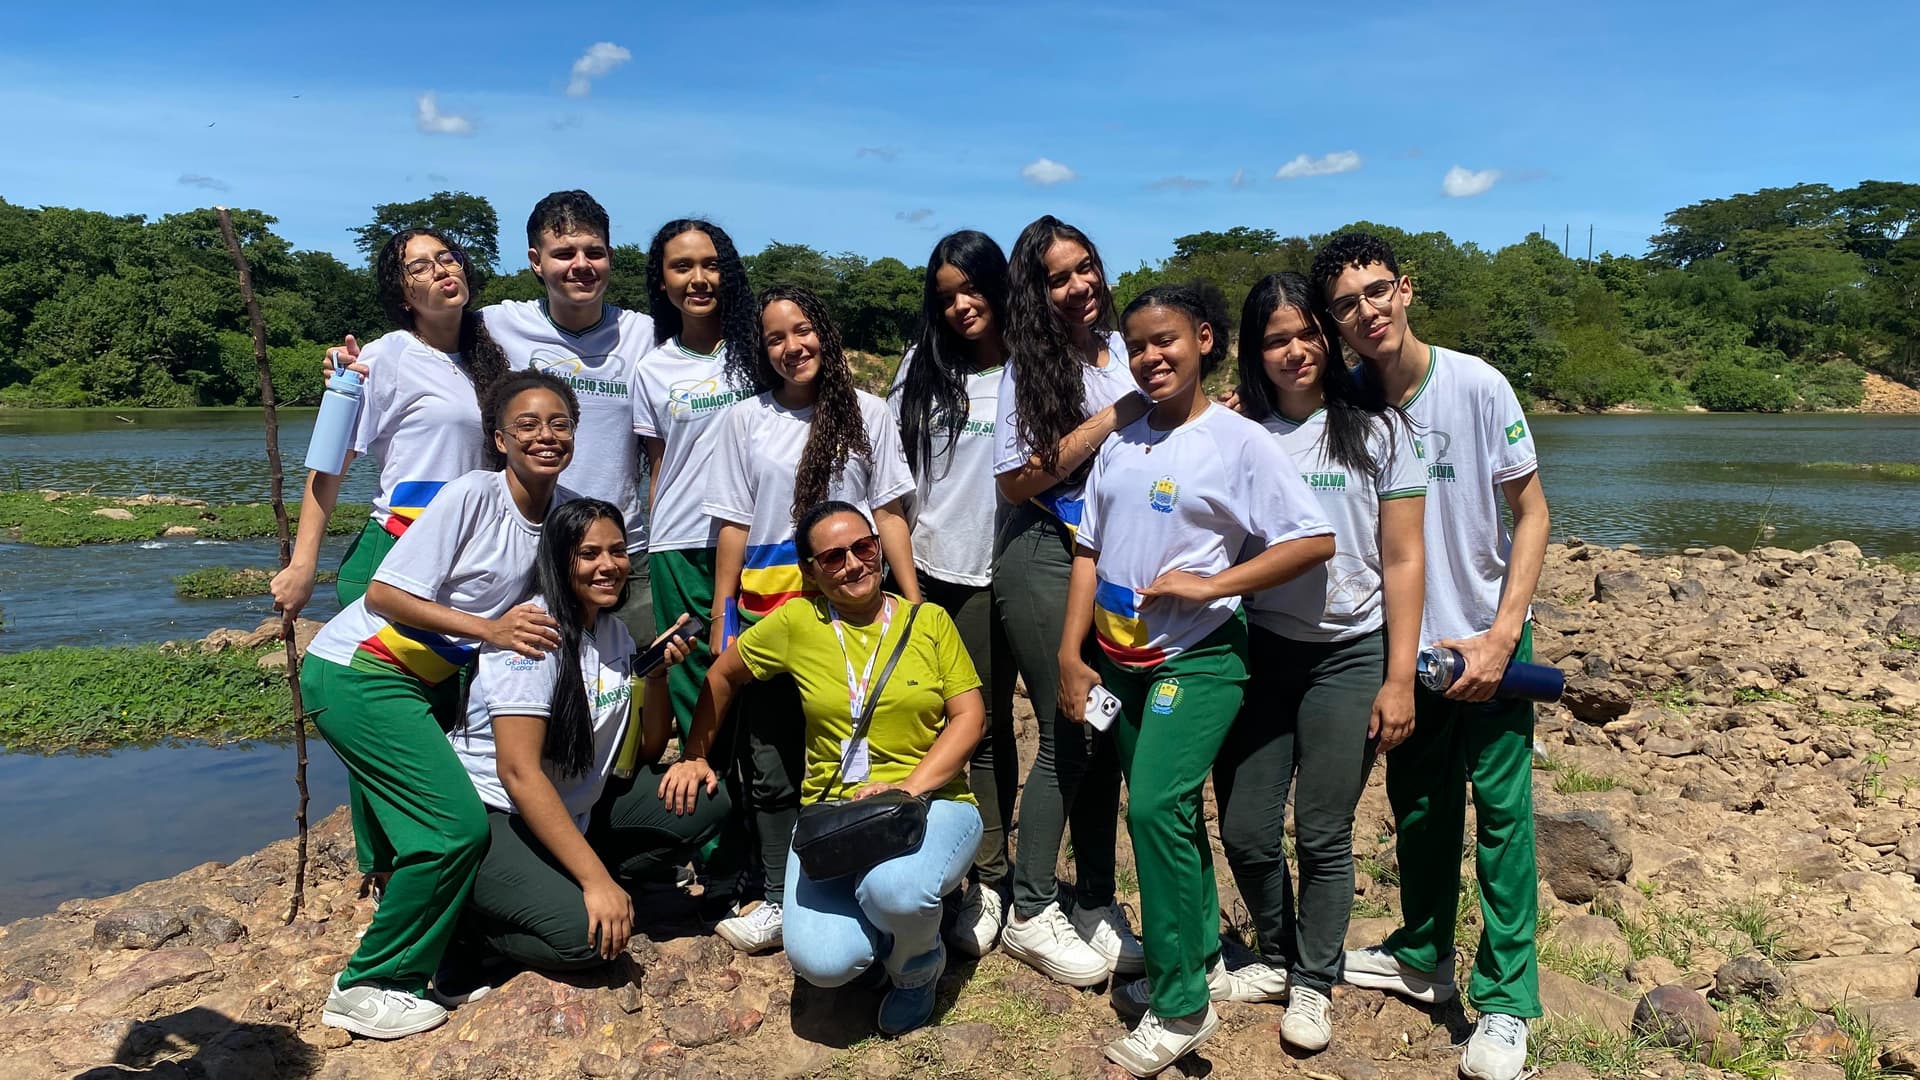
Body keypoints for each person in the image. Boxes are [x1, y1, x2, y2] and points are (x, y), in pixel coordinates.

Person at [1059, 283, 1334, 1077]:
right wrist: (1073, 654)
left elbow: (1312, 540)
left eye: (1167, 341)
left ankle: (1181, 1006)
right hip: (1123, 660)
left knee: (1152, 805)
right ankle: (1204, 953)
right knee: (1171, 821)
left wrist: (1214, 586)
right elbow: (1088, 550)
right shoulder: (1122, 440)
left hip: (1201, 658)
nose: (1152, 357)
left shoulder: (1240, 442)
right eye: (1138, 345)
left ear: (1205, 340)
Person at [1314, 232, 1550, 1080]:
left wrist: (1500, 634)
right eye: (1346, 303)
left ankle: (1509, 1000)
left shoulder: (1478, 385)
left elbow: (1533, 513)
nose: (1367, 311)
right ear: (1333, 322)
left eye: (1377, 291)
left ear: (1405, 289)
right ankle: (1422, 953)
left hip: (1487, 639)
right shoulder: (1344, 403)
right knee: (1417, 808)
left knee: (1501, 819)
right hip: (1404, 650)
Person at [300, 370, 580, 1040]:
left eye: (559, 423)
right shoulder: (473, 495)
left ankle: (432, 961)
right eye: (528, 426)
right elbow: (386, 595)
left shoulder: (561, 513)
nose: (545, 436)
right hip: (361, 672)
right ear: (500, 438)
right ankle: (365, 984)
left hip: (422, 680)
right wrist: (489, 629)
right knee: (452, 830)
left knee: (434, 828)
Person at [1203, 271, 1426, 1053]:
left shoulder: (1378, 429)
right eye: (1274, 340)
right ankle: (1274, 951)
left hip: (1352, 652)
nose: (1294, 351)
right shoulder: (1239, 435)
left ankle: (1313, 979)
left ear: (1327, 341)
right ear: (1253, 354)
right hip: (1263, 650)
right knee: (1246, 827)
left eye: (1305, 334)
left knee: (1323, 830)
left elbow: (1403, 560)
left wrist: (1399, 676)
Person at [659, 501, 984, 1037]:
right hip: (833, 815)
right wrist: (695, 755)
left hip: (933, 802)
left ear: (879, 547)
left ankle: (916, 966)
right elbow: (722, 676)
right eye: (832, 557)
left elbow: (969, 719)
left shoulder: (928, 621)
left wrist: (906, 787)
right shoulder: (797, 622)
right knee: (824, 963)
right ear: (810, 571)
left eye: (863, 547)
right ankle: (900, 924)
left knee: (895, 889)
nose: (854, 564)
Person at [272, 227, 512, 887]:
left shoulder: (488, 351)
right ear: (401, 292)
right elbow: (328, 466)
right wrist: (303, 564)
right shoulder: (383, 359)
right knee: (396, 717)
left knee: (447, 713)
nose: (441, 271)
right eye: (420, 267)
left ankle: (432, 856)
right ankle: (390, 870)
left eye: (448, 258)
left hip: (464, 564)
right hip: (394, 557)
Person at [331, 192, 658, 644]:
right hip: (528, 552)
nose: (579, 264)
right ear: (535, 261)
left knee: (631, 684)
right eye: (563, 253)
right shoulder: (494, 324)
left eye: (593, 252)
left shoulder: (646, 334)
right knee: (527, 690)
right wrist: (350, 368)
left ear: (610, 257)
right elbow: (422, 336)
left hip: (618, 550)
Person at [700, 285, 919, 953]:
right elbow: (734, 523)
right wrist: (722, 613)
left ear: (823, 332)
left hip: (850, 613)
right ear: (760, 350)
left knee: (853, 751)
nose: (792, 346)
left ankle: (862, 879)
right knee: (768, 763)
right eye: (774, 337)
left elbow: (887, 513)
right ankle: (775, 894)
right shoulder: (745, 420)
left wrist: (911, 603)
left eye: (802, 331)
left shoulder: (871, 414)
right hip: (770, 613)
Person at [450, 497, 730, 976]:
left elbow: (644, 750)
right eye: (590, 554)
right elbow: (518, 773)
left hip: (576, 806)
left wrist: (656, 676)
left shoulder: (615, 633)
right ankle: (469, 924)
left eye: (618, 551)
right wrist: (595, 881)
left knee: (708, 801)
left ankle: (572, 882)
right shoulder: (534, 637)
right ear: (560, 561)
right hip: (500, 814)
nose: (609, 566)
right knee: (590, 941)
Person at [992, 216, 1146, 987]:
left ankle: (1094, 900)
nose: (1080, 285)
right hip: (1043, 552)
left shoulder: (1119, 347)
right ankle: (1028, 909)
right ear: (1036, 291)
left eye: (1085, 267)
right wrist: (1112, 416)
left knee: (1102, 734)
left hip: (1109, 564)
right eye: (1059, 277)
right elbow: (1015, 479)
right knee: (1067, 729)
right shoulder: (1029, 367)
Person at [887, 229, 1017, 957]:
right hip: (939, 572)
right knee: (963, 723)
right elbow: (896, 481)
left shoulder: (1031, 368)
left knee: (998, 728)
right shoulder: (921, 368)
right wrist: (909, 591)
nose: (963, 306)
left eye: (973, 289)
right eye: (947, 297)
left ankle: (996, 875)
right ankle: (963, 869)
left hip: (1017, 570)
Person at [632, 218, 765, 742]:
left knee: (758, 672)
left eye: (710, 265)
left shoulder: (759, 354)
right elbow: (660, 465)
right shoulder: (652, 369)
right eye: (682, 267)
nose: (698, 278)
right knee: (693, 678)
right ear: (662, 282)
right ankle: (705, 800)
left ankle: (766, 812)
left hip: (759, 539)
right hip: (682, 544)